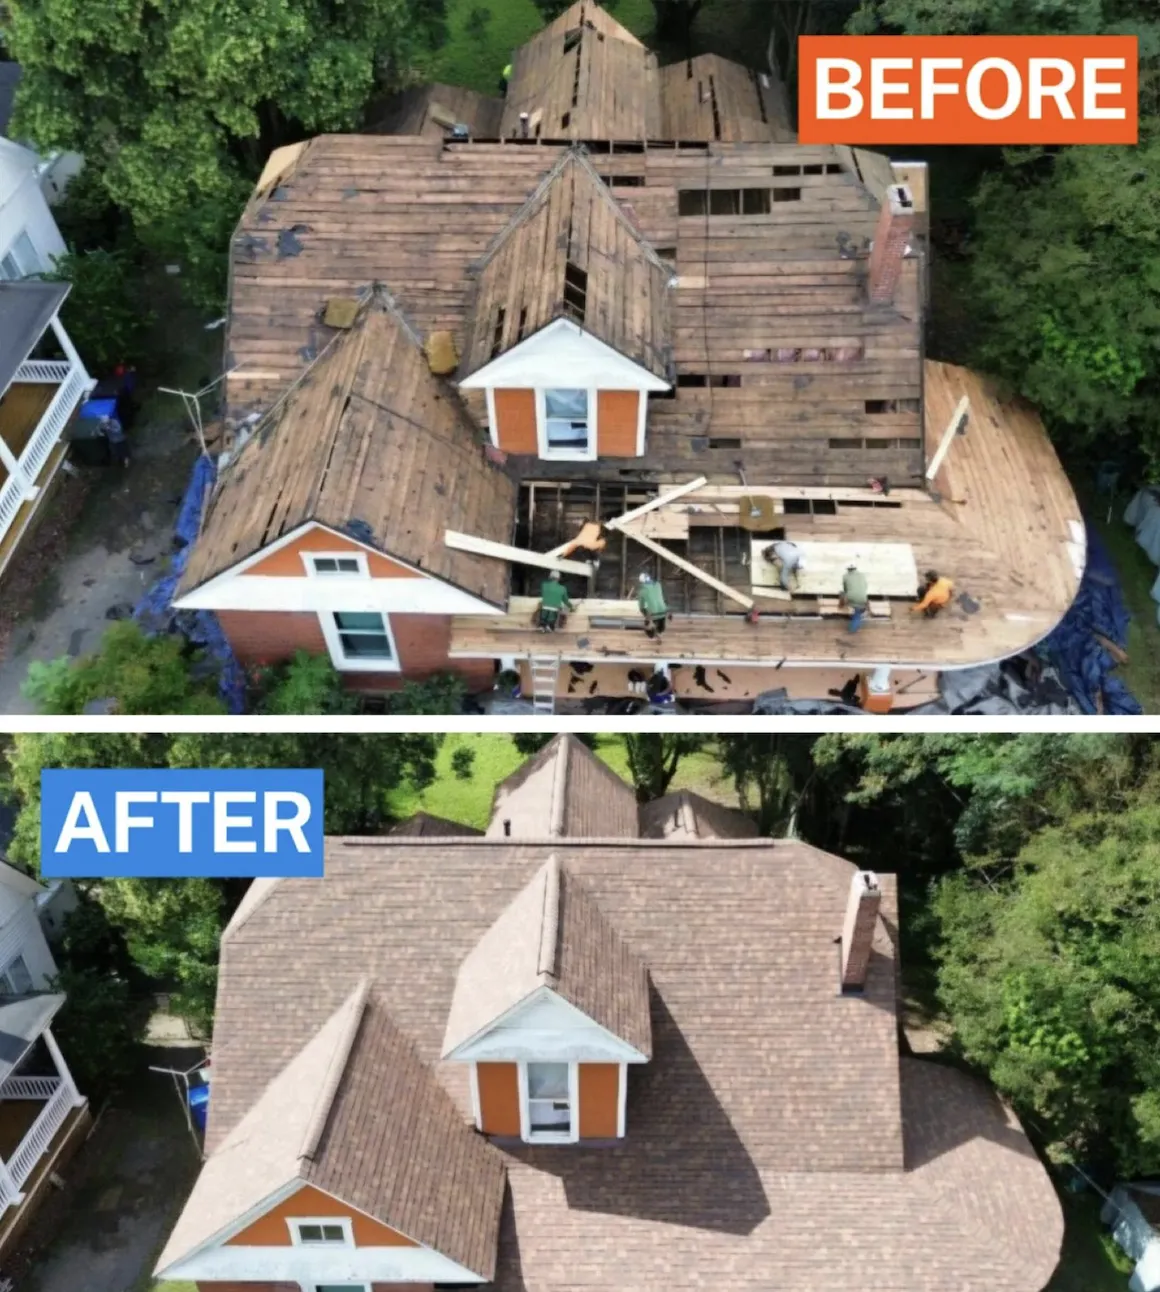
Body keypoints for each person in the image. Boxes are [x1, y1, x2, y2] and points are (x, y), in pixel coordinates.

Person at [637, 573, 668, 638]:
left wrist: (646, 616)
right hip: (664, 612)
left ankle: (651, 630)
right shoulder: (658, 585)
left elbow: (641, 607)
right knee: (661, 629)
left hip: (654, 614)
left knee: (645, 612)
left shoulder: (642, 591)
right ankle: (659, 629)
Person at [840, 564, 869, 633]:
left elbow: (845, 589)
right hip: (863, 597)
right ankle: (857, 621)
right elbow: (865, 587)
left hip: (851, 597)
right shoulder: (862, 575)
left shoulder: (845, 576)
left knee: (856, 613)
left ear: (848, 569)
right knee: (858, 611)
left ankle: (852, 629)